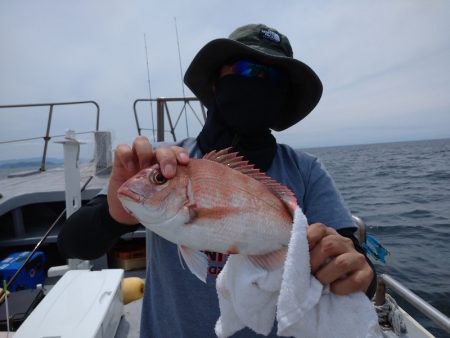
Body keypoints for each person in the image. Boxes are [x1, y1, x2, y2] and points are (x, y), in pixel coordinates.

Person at [58, 23, 377, 337]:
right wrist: (113, 214)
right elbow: (73, 244)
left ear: (282, 97)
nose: (258, 82)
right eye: (244, 68)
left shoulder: (307, 171)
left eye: (273, 77)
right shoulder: (164, 163)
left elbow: (357, 264)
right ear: (214, 83)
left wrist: (354, 267)